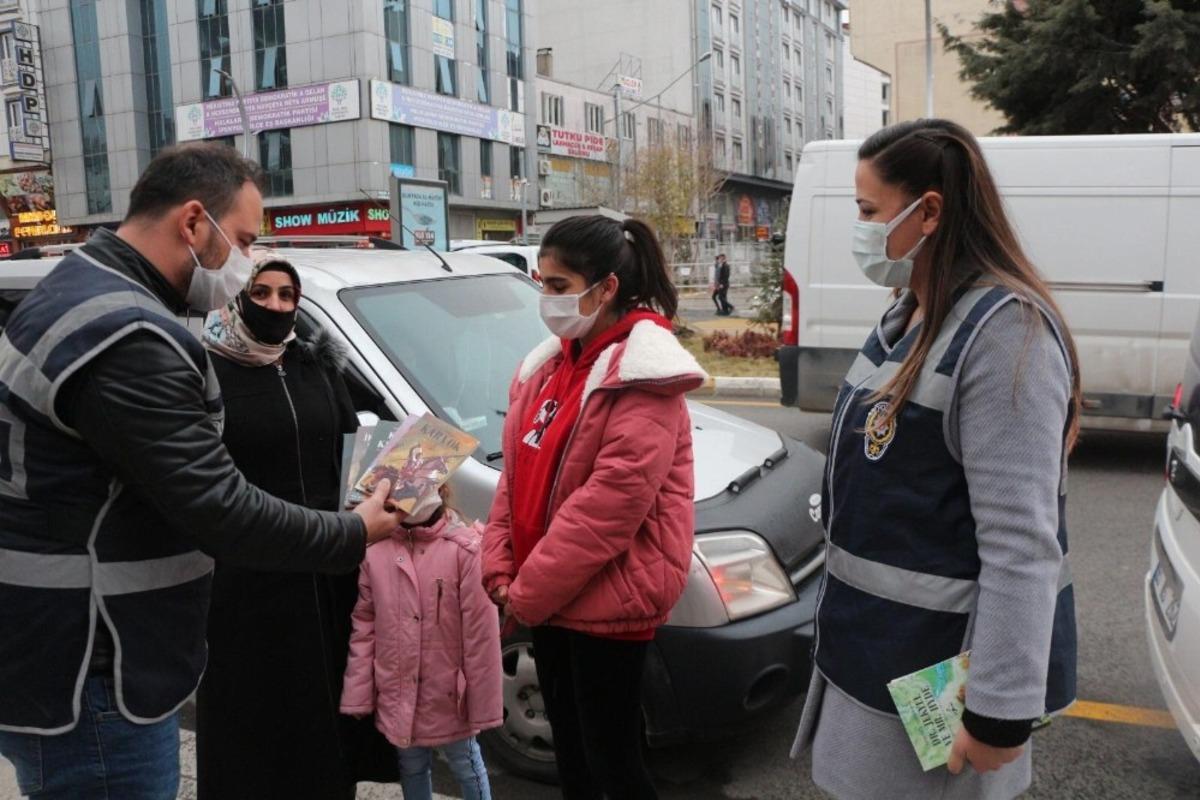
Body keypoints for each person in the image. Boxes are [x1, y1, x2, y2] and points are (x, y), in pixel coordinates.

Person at [0, 143, 405, 800]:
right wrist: (354, 532)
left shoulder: (79, 289)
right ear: (193, 222)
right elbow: (219, 508)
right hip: (97, 663)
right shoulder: (129, 335)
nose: (246, 263)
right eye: (242, 241)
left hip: (67, 643)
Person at [790, 119, 1079, 799]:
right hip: (869, 653)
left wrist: (998, 712)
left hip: (937, 682)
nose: (859, 229)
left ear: (929, 212)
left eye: (868, 211)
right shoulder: (909, 314)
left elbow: (1021, 543)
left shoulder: (1006, 335)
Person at [482, 215, 706, 799]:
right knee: (574, 759)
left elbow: (607, 510)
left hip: (607, 599)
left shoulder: (642, 379)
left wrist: (526, 592)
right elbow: (515, 477)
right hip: (546, 594)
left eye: (560, 286)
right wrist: (500, 565)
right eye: (542, 283)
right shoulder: (549, 368)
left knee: (614, 765)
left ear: (606, 288)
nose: (547, 299)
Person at [195, 252, 397, 799]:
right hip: (249, 577)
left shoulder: (314, 365)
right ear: (238, 298)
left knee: (328, 711)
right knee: (256, 718)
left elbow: (351, 452)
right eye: (262, 293)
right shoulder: (208, 372)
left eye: (287, 295)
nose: (276, 305)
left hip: (329, 569)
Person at [340, 489, 503, 800]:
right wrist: (359, 693)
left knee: (466, 764)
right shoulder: (376, 552)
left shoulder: (464, 550)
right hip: (398, 693)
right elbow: (365, 626)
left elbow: (481, 636)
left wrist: (482, 704)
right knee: (412, 768)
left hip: (451, 697)